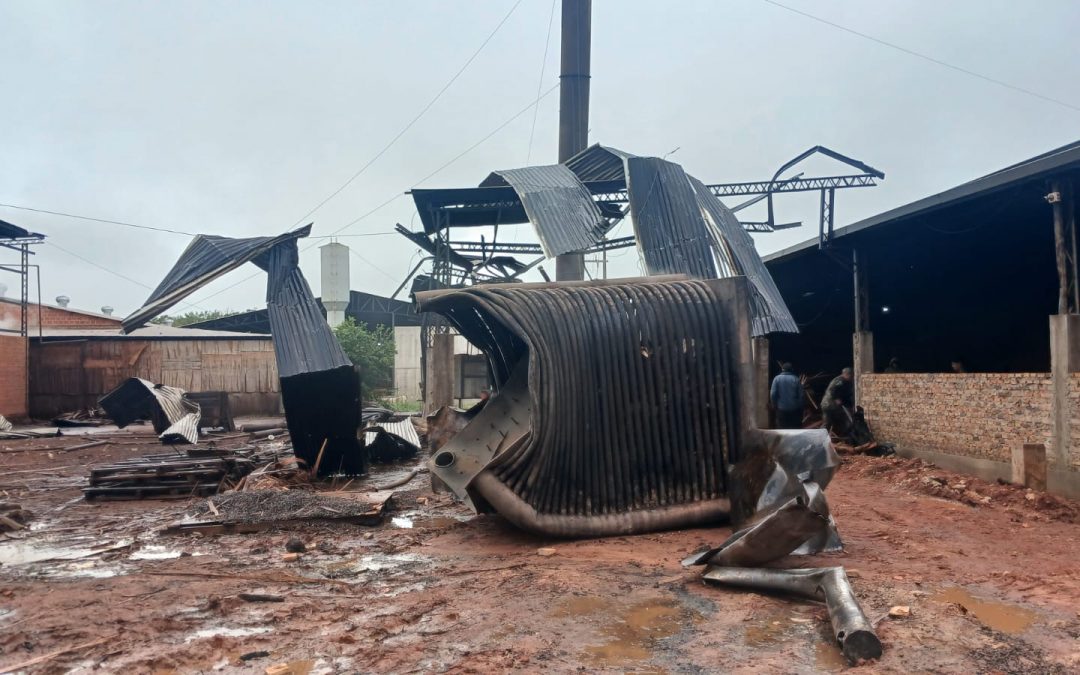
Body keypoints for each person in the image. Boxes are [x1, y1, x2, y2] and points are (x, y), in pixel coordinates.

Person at [820, 367, 854, 435]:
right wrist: (836, 398)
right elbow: (832, 390)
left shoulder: (845, 382)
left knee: (831, 422)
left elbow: (847, 395)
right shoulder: (840, 380)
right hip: (830, 405)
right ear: (845, 374)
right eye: (850, 375)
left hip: (830, 405)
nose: (851, 377)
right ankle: (821, 437)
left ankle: (841, 436)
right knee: (831, 421)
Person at [769, 362, 804, 429]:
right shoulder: (796, 379)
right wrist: (799, 407)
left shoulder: (776, 379)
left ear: (782, 369)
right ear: (792, 370)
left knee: (782, 430)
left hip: (781, 409)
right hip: (794, 410)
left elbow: (773, 394)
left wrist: (774, 405)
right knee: (794, 429)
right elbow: (801, 396)